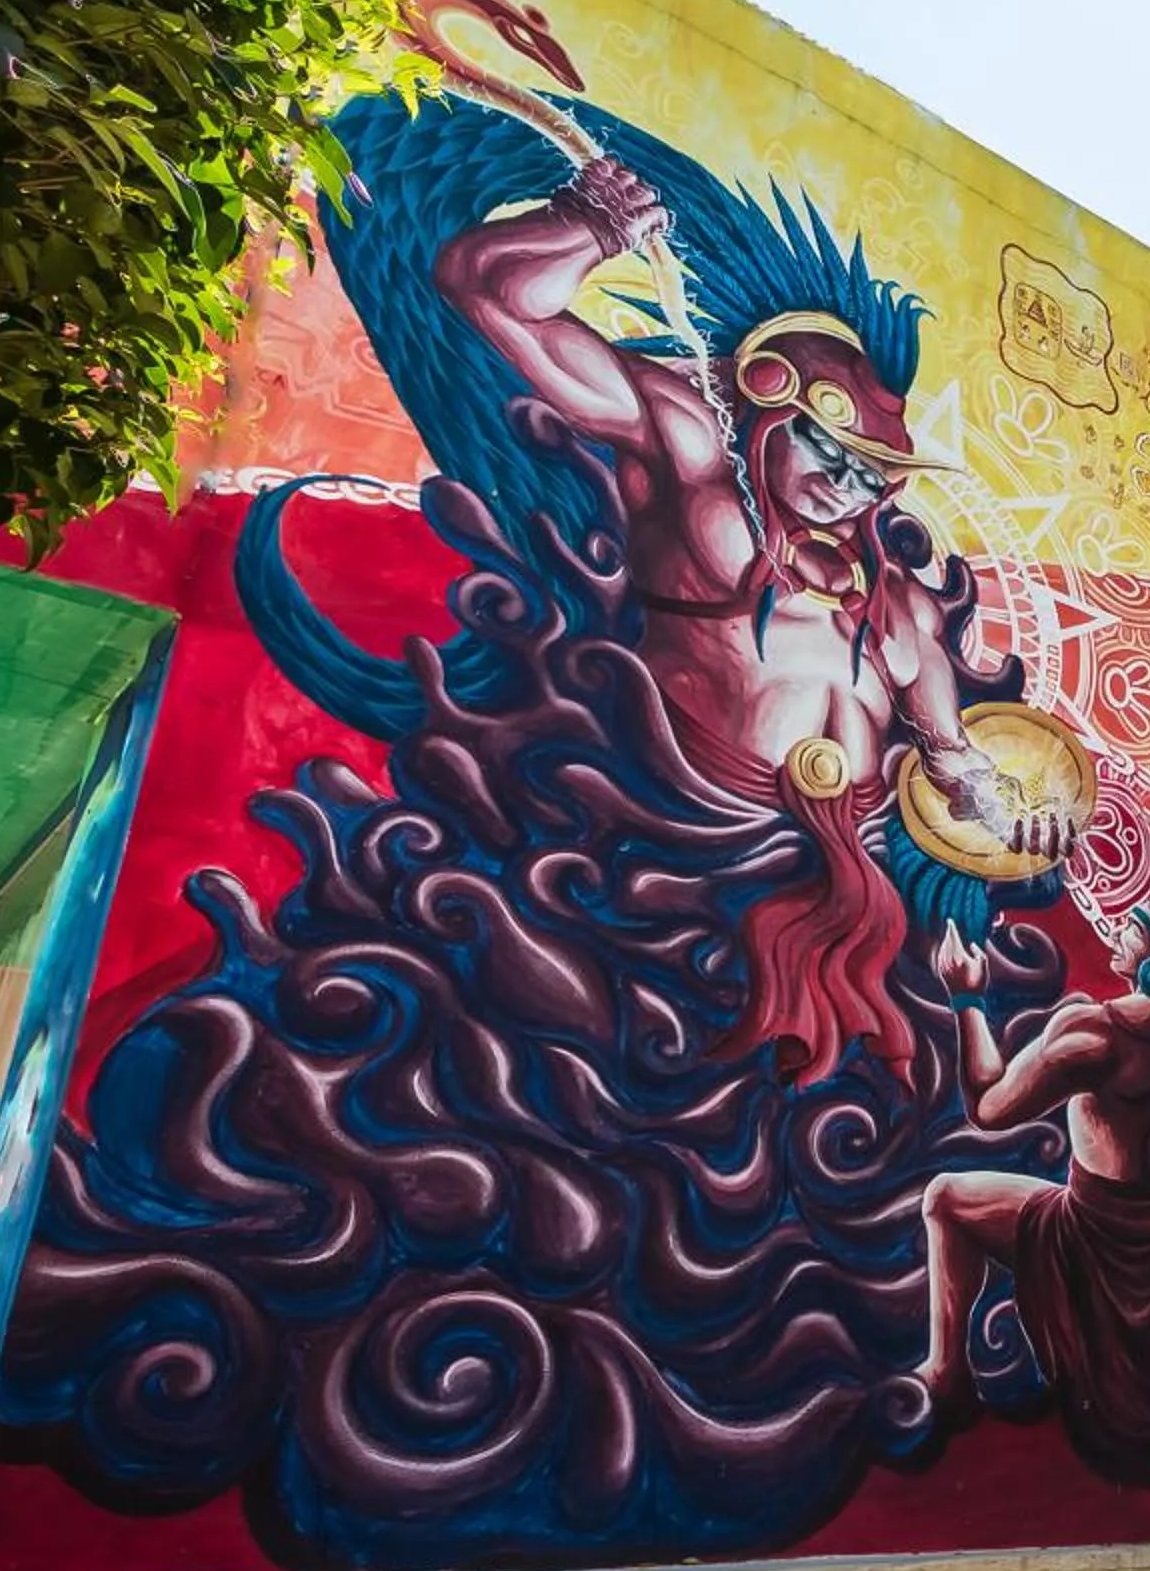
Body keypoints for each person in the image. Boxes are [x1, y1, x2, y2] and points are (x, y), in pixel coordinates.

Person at [428, 146, 1074, 1081]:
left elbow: (955, 763)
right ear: (769, 410)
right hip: (672, 844)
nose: (845, 488)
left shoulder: (897, 607)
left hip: (852, 886)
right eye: (829, 452)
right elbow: (484, 290)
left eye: (871, 477)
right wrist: (586, 227)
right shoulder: (693, 462)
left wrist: (1019, 823)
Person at [917, 902, 1150, 1472]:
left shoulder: (1095, 1034)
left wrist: (967, 998)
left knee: (944, 1198)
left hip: (1089, 1228)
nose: (1117, 935)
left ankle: (945, 1379)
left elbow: (988, 1108)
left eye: (1132, 930)